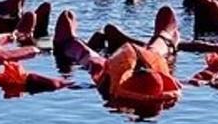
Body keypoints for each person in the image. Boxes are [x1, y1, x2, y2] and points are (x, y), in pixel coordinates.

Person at [52, 6, 183, 109]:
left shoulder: (112, 88)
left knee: (95, 63)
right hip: (150, 73)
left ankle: (69, 43)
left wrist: (61, 84)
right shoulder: (168, 89)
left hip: (116, 76)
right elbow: (194, 81)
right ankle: (165, 37)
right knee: (154, 53)